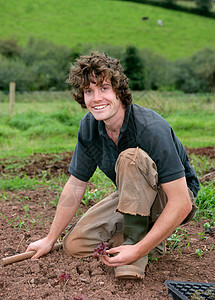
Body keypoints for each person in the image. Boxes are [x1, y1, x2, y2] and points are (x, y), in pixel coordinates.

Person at [26, 52, 200, 280]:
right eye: (89, 91)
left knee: (130, 158)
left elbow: (182, 202)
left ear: (119, 90)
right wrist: (50, 239)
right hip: (133, 195)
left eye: (104, 88)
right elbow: (76, 185)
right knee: (74, 245)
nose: (96, 98)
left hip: (172, 196)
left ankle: (135, 248)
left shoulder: (150, 128)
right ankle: (141, 236)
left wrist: (138, 250)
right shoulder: (89, 128)